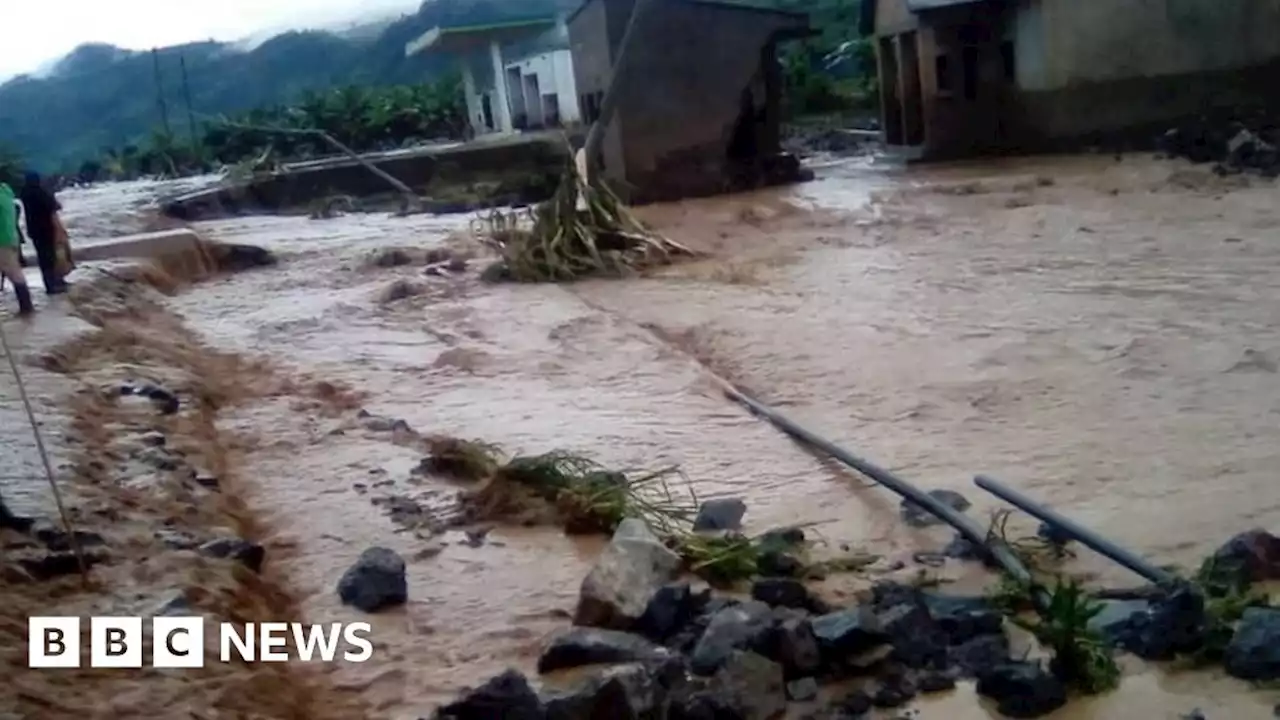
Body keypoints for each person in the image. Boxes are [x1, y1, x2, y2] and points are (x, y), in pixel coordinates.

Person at [18, 171, 69, 295]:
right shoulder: (41, 193)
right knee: (52, 256)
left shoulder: (25, 193)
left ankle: (51, 284)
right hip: (47, 229)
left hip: (34, 230)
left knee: (43, 258)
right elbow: (55, 207)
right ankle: (55, 284)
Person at [0, 182, 35, 315]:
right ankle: (27, 308)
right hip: (12, 238)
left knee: (14, 273)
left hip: (2, 240)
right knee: (15, 272)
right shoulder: (5, 192)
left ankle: (27, 308)